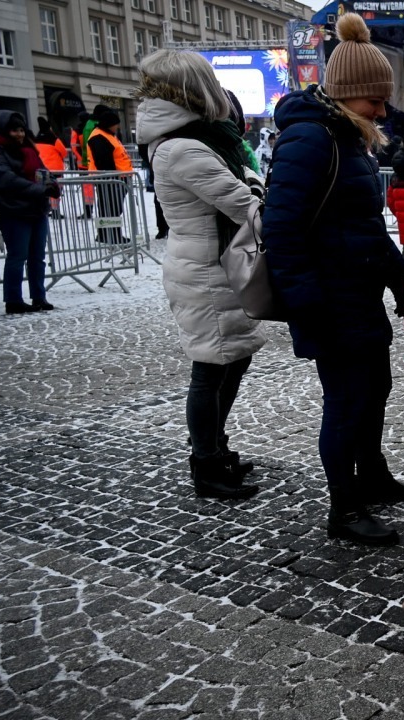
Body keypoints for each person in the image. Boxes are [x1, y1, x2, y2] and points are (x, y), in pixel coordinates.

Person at [262, 13, 404, 546]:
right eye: (373, 100)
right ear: (346, 94)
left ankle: (371, 475)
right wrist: (306, 303)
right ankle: (345, 507)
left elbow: (364, 227)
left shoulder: (345, 137)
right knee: (347, 401)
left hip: (356, 295)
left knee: (375, 388)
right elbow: (281, 231)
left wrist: (401, 279)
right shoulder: (309, 139)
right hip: (329, 302)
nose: (382, 110)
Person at [136, 49, 269, 501]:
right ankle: (206, 463)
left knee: (232, 360)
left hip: (215, 265)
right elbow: (243, 201)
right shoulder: (183, 148)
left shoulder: (199, 140)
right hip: (205, 271)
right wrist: (260, 190)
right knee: (211, 369)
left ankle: (216, 447)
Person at [0, 111, 60, 314]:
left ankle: (39, 296)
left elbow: (42, 171)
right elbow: (5, 180)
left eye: (21, 130)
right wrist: (39, 189)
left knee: (37, 257)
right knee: (18, 256)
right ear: (1, 131)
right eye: (13, 130)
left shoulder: (29, 150)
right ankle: (13, 299)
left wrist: (52, 184)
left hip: (36, 210)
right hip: (13, 212)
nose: (19, 134)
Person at [86, 109, 133, 245]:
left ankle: (105, 234)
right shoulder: (99, 137)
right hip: (111, 179)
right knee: (111, 208)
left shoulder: (107, 134)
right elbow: (104, 162)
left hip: (117, 178)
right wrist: (114, 179)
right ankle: (112, 235)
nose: (118, 126)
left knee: (110, 208)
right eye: (116, 124)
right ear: (109, 124)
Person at [33, 117, 68, 219]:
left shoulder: (36, 138)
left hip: (41, 168)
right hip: (55, 169)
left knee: (43, 189)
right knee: (55, 188)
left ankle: (45, 209)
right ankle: (55, 211)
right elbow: (64, 152)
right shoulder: (53, 138)